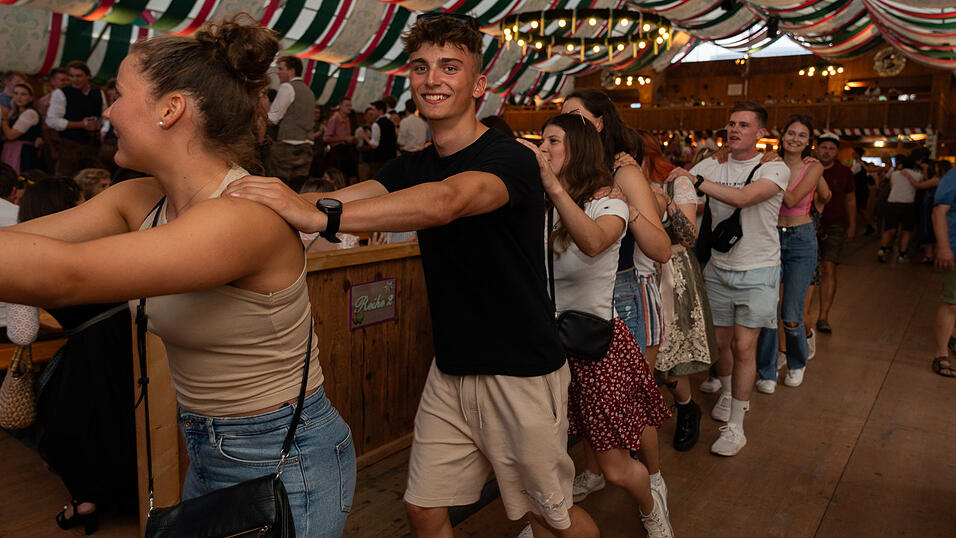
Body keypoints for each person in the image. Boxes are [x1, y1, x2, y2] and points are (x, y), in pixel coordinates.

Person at [224, 13, 600, 538]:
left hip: (520, 371)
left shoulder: (509, 158)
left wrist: (320, 215)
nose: (433, 79)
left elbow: (448, 202)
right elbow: (327, 202)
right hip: (451, 369)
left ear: (478, 84)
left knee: (549, 517)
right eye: (421, 67)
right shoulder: (411, 166)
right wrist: (260, 201)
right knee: (424, 509)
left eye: (450, 67)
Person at [0, 15, 355, 537]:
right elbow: (28, 241)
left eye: (119, 94)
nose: (109, 109)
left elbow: (64, 276)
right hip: (209, 447)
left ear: (171, 109)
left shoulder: (239, 217)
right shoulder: (139, 199)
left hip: (282, 456)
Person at [518, 114, 673, 537]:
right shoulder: (538, 203)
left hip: (596, 348)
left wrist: (552, 185)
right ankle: (548, 519)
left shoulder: (610, 200)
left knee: (616, 467)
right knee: (541, 454)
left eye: (554, 141)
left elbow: (592, 241)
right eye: (542, 141)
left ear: (580, 149)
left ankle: (650, 505)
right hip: (545, 347)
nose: (544, 148)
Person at [559, 89, 670, 507]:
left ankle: (654, 482)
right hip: (575, 298)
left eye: (577, 117)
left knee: (628, 403)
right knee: (588, 402)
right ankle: (594, 470)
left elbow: (660, 249)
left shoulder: (621, 171)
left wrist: (629, 208)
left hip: (622, 290)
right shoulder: (565, 171)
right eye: (562, 117)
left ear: (600, 123)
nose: (567, 125)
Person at [14, 176, 138, 535]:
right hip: (129, 337)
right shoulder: (106, 237)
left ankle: (87, 501)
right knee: (132, 417)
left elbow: (24, 333)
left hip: (86, 349)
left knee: (78, 425)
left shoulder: (26, 255)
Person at [668, 101, 790, 456]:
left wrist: (698, 179)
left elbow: (744, 197)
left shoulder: (775, 167)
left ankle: (736, 426)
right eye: (732, 124)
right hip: (718, 268)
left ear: (761, 134)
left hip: (759, 268)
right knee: (719, 344)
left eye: (744, 125)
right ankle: (727, 390)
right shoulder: (710, 163)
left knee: (743, 346)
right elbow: (686, 190)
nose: (734, 130)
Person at [636, 129, 716, 452]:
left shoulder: (675, 182)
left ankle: (686, 407)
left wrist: (666, 201)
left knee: (668, 355)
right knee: (643, 356)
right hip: (637, 271)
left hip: (673, 271)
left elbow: (689, 237)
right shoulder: (618, 184)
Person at [754, 115, 830, 394]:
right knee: (768, 312)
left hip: (801, 241)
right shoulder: (770, 160)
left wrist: (769, 171)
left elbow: (791, 199)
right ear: (782, 136)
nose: (795, 139)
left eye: (802, 135)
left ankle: (797, 363)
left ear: (809, 142)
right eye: (791, 133)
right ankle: (768, 368)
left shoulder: (813, 166)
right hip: (770, 237)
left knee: (791, 314)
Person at [814, 133, 855, 335]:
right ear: (817, 149)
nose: (827, 151)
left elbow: (850, 200)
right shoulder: (808, 168)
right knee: (807, 271)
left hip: (834, 226)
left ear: (836, 152)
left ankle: (823, 316)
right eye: (823, 147)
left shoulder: (845, 172)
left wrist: (852, 224)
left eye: (831, 148)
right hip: (808, 225)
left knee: (829, 268)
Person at [45, 61, 107, 178]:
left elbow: (105, 115)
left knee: (93, 179)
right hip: (70, 145)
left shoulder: (98, 92)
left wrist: (101, 127)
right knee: (66, 178)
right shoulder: (61, 93)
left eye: (79, 76)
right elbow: (51, 120)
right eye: (71, 76)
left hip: (93, 144)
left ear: (88, 76)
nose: (75, 79)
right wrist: (81, 124)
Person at [267, 55, 316, 190]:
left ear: (291, 71)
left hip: (288, 147)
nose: (278, 72)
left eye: (281, 68)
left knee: (278, 187)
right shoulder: (309, 91)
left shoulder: (287, 87)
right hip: (307, 147)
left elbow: (273, 118)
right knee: (297, 188)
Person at [879, 155, 929, 265]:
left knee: (890, 229)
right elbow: (924, 182)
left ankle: (882, 250)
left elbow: (892, 185)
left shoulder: (894, 174)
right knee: (907, 230)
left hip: (892, 203)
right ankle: (902, 254)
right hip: (908, 205)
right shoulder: (917, 175)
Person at [932, 166, 956, 377]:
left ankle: (953, 338)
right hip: (955, 248)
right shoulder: (953, 176)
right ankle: (941, 354)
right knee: (952, 302)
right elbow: (939, 212)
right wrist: (944, 247)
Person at [1, 83, 42, 172]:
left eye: (23, 94)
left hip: (22, 153)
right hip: (11, 150)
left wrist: (4, 118)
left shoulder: (30, 113)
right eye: (16, 93)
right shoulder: (15, 113)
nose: (19, 97)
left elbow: (11, 135)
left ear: (30, 98)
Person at [357, 100, 397, 180]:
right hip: (391, 157)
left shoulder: (377, 124)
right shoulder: (390, 122)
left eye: (374, 110)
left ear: (380, 111)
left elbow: (374, 145)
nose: (373, 113)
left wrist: (365, 137)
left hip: (379, 160)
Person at [323, 96, 359, 181]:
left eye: (350, 105)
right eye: (347, 105)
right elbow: (326, 138)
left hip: (348, 150)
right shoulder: (335, 118)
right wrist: (344, 139)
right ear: (340, 106)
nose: (349, 108)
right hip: (338, 151)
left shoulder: (348, 118)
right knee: (339, 177)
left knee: (351, 176)